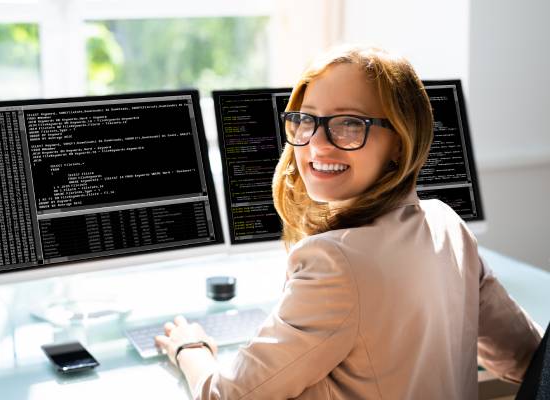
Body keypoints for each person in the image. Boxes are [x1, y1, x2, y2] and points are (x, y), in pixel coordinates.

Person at [154, 44, 543, 399]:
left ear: (400, 142)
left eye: (350, 124)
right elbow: (526, 358)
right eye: (306, 121)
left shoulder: (334, 261)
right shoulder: (447, 223)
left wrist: (191, 348)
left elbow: (228, 395)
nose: (318, 144)